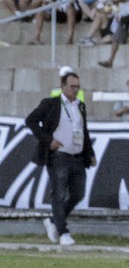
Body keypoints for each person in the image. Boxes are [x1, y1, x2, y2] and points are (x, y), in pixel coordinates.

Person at [25, 71, 95, 247]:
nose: (75, 90)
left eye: (77, 87)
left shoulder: (80, 106)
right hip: (59, 156)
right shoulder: (51, 104)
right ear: (63, 86)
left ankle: (53, 221)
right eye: (72, 86)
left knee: (78, 193)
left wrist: (90, 153)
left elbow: (83, 131)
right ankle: (63, 232)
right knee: (59, 192)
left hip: (77, 156)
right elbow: (31, 120)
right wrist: (49, 141)